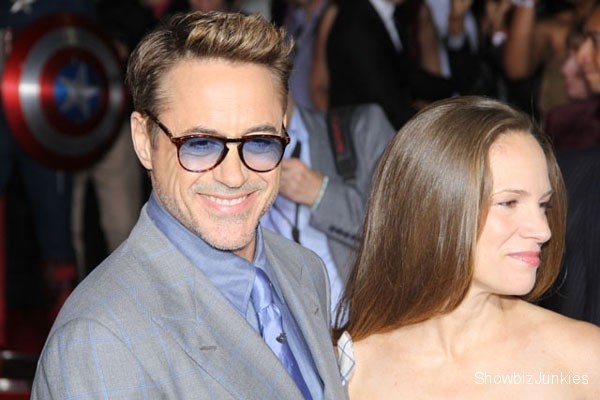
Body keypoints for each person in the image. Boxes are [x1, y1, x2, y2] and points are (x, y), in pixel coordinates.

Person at [32, 12, 347, 399]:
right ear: (144, 140)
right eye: (200, 144)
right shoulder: (100, 340)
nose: (234, 176)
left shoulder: (304, 270)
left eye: (260, 141)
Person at [335, 96, 600, 398]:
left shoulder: (583, 359)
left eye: (543, 205)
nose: (543, 230)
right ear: (434, 210)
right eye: (509, 203)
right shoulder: (351, 368)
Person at [261, 97, 395, 320]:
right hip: (284, 331)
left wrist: (321, 194)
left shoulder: (360, 128)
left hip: (368, 324)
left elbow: (403, 230)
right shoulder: (230, 160)